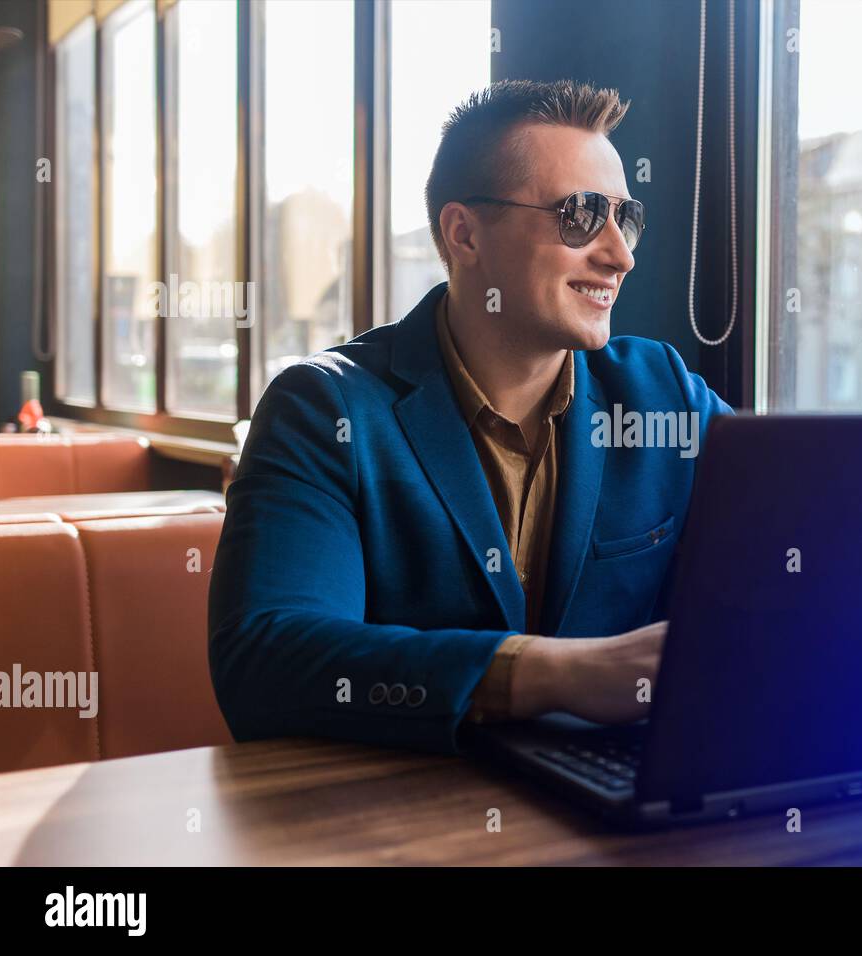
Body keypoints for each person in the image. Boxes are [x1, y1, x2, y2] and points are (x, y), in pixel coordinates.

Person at [208, 79, 732, 754]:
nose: (619, 255)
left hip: (614, 813)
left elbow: (805, 530)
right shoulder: (324, 409)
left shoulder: (663, 394)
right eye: (579, 216)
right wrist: (559, 673)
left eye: (624, 218)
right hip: (392, 825)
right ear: (464, 234)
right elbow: (264, 661)